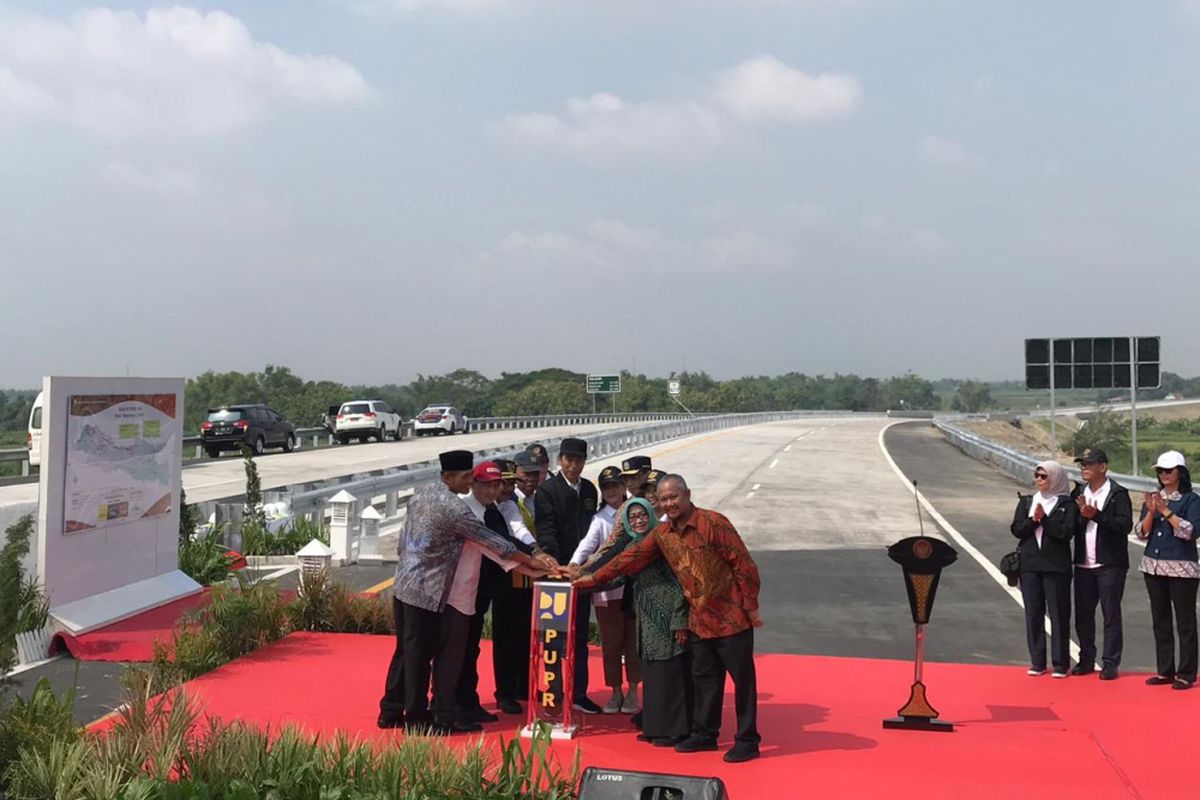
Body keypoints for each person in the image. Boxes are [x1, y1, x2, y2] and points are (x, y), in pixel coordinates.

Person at [574, 474, 763, 763]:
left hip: (731, 618)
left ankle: (747, 739)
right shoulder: (663, 535)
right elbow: (630, 557)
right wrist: (590, 578)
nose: (669, 503)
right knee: (705, 681)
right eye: (663, 500)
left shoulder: (713, 522)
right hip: (698, 620)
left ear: (687, 494)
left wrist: (750, 606)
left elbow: (744, 564)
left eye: (674, 497)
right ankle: (705, 734)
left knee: (743, 682)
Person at [379, 450, 555, 733]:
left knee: (408, 653)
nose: (470, 481)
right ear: (446, 477)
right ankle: (418, 720)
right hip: (430, 592)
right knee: (420, 658)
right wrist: (534, 563)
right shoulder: (455, 509)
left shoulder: (421, 495)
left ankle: (391, 710)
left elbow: (403, 540)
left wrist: (533, 568)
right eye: (466, 478)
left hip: (405, 585)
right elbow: (496, 545)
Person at [583, 498, 692, 746]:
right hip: (646, 616)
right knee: (652, 673)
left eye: (643, 515)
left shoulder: (661, 540)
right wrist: (581, 584)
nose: (639, 520)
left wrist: (678, 618)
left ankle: (675, 730)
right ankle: (655, 726)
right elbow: (619, 577)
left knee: (669, 672)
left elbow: (679, 582)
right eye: (632, 517)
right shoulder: (634, 543)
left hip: (667, 614)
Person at [535, 437, 602, 714]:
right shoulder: (547, 491)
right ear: (560, 460)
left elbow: (591, 532)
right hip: (555, 574)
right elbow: (546, 530)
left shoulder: (589, 489)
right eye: (569, 460)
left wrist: (582, 566)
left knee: (580, 635)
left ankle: (579, 692)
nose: (574, 466)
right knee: (553, 637)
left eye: (579, 460)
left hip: (581, 574)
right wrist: (558, 565)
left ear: (585, 462)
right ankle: (554, 692)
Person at [570, 465, 641, 715]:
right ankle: (615, 692)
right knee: (611, 644)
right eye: (607, 487)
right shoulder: (599, 519)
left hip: (634, 590)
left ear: (624, 487)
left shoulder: (637, 512)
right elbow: (587, 545)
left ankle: (633, 691)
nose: (612, 490)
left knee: (633, 642)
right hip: (607, 592)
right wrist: (574, 566)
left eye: (616, 485)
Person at [1010, 460, 1080, 679]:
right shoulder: (1027, 501)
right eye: (1037, 475)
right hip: (1030, 565)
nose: (1039, 480)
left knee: (1059, 613)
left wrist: (1045, 520)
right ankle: (1037, 661)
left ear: (1055, 478)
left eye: (1044, 476)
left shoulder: (1066, 504)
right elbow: (1017, 529)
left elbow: (1065, 532)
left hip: (1055, 566)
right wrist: (1033, 520)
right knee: (1033, 613)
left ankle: (1060, 663)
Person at [1137, 450, 1200, 690]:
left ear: (1180, 473)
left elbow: (1189, 531)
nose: (1164, 475)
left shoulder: (1191, 500)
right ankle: (1165, 670)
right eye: (1160, 471)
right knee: (1160, 620)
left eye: (1168, 471)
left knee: (1185, 622)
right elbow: (1141, 533)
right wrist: (1152, 512)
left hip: (1182, 568)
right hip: (1153, 566)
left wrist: (1166, 511)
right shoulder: (1155, 497)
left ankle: (1186, 672)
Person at [1069, 448, 1132, 680]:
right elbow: (1072, 525)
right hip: (1084, 563)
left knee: (1110, 614)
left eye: (1088, 464)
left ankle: (1110, 662)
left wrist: (1095, 514)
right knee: (1083, 614)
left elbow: (1124, 525)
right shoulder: (1077, 491)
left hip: (1110, 564)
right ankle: (1086, 659)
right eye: (1082, 464)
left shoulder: (1117, 493)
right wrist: (1079, 514)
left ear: (1102, 467)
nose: (1084, 468)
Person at [491, 458, 537, 714]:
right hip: (496, 581)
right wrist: (534, 557)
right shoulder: (485, 509)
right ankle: (504, 692)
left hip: (522, 578)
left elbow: (520, 531)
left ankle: (520, 686)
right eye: (503, 483)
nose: (508, 488)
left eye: (510, 483)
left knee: (522, 635)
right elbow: (504, 541)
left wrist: (536, 551)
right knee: (504, 640)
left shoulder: (510, 506)